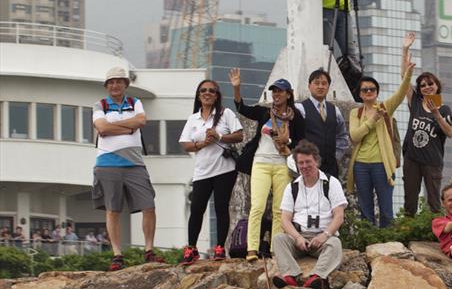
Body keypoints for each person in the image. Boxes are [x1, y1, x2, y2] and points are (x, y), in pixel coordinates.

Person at [92, 65, 162, 272]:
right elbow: (101, 128)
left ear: (125, 84)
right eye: (111, 82)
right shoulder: (100, 104)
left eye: (119, 81)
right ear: (107, 85)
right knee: (113, 210)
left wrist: (117, 127)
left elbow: (142, 120)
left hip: (135, 163)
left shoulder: (135, 102)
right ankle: (117, 254)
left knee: (149, 205)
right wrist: (129, 126)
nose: (115, 85)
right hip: (107, 163)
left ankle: (149, 250)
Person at [231, 68, 302, 262]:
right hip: (260, 162)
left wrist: (288, 142)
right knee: (258, 206)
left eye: (280, 91)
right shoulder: (264, 113)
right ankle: (252, 248)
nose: (276, 94)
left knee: (280, 209)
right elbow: (241, 108)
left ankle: (275, 249)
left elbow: (302, 142)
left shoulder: (296, 117)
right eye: (274, 91)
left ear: (288, 94)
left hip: (282, 164)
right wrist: (237, 88)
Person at [178, 78, 243, 264]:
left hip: (224, 169)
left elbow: (239, 135)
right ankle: (191, 248)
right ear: (198, 96)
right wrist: (201, 144)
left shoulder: (225, 113)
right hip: (202, 170)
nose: (207, 93)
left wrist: (219, 136)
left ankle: (220, 247)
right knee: (197, 208)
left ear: (217, 96)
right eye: (203, 90)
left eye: (211, 91)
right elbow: (185, 144)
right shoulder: (193, 118)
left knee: (221, 208)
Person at [348, 56, 414, 228]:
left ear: (377, 92)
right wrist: (372, 121)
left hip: (382, 164)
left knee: (386, 208)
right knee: (365, 208)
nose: (369, 92)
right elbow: (354, 136)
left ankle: (387, 241)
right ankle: (368, 241)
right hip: (361, 164)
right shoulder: (356, 113)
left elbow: (401, 93)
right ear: (360, 94)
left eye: (372, 89)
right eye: (365, 90)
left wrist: (408, 74)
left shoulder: (385, 107)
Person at [272, 140, 347, 289]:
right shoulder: (292, 187)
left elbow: (339, 216)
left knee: (335, 244)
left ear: (316, 161)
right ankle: (290, 275)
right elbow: (285, 219)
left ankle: (317, 276)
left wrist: (324, 235)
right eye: (301, 163)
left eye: (308, 162)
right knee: (278, 239)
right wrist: (297, 238)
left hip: (322, 237)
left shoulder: (331, 183)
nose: (305, 166)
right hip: (299, 237)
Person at [400, 33, 452, 215]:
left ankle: (435, 234)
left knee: (433, 200)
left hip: (432, 161)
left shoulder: (444, 108)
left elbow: (450, 133)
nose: (427, 87)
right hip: (412, 157)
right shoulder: (415, 102)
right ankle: (409, 232)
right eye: (422, 85)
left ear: (437, 86)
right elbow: (404, 81)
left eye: (430, 83)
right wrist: (405, 50)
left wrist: (437, 114)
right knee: (410, 199)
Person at [296, 68, 349, 179]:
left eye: (324, 83)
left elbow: (342, 135)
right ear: (309, 86)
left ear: (328, 87)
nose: (320, 86)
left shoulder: (335, 110)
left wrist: (336, 156)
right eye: (316, 83)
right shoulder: (301, 108)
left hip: (330, 166)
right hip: (308, 166)